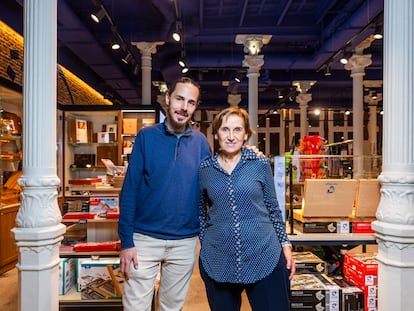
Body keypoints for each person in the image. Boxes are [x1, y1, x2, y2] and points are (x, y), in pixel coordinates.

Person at [118, 77, 212, 311]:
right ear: (168, 99)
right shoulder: (146, 137)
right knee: (135, 307)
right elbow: (130, 189)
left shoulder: (201, 143)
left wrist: (245, 160)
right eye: (180, 99)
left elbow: (214, 189)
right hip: (143, 240)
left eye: (191, 102)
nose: (184, 107)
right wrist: (126, 241)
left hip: (185, 242)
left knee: (171, 308)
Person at [198, 107, 296, 311]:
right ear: (216, 134)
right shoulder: (205, 169)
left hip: (264, 254)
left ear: (246, 135)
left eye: (237, 130)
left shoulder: (259, 163)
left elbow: (273, 207)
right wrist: (206, 244)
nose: (231, 136)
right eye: (225, 130)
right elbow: (200, 212)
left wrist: (285, 245)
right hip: (219, 260)